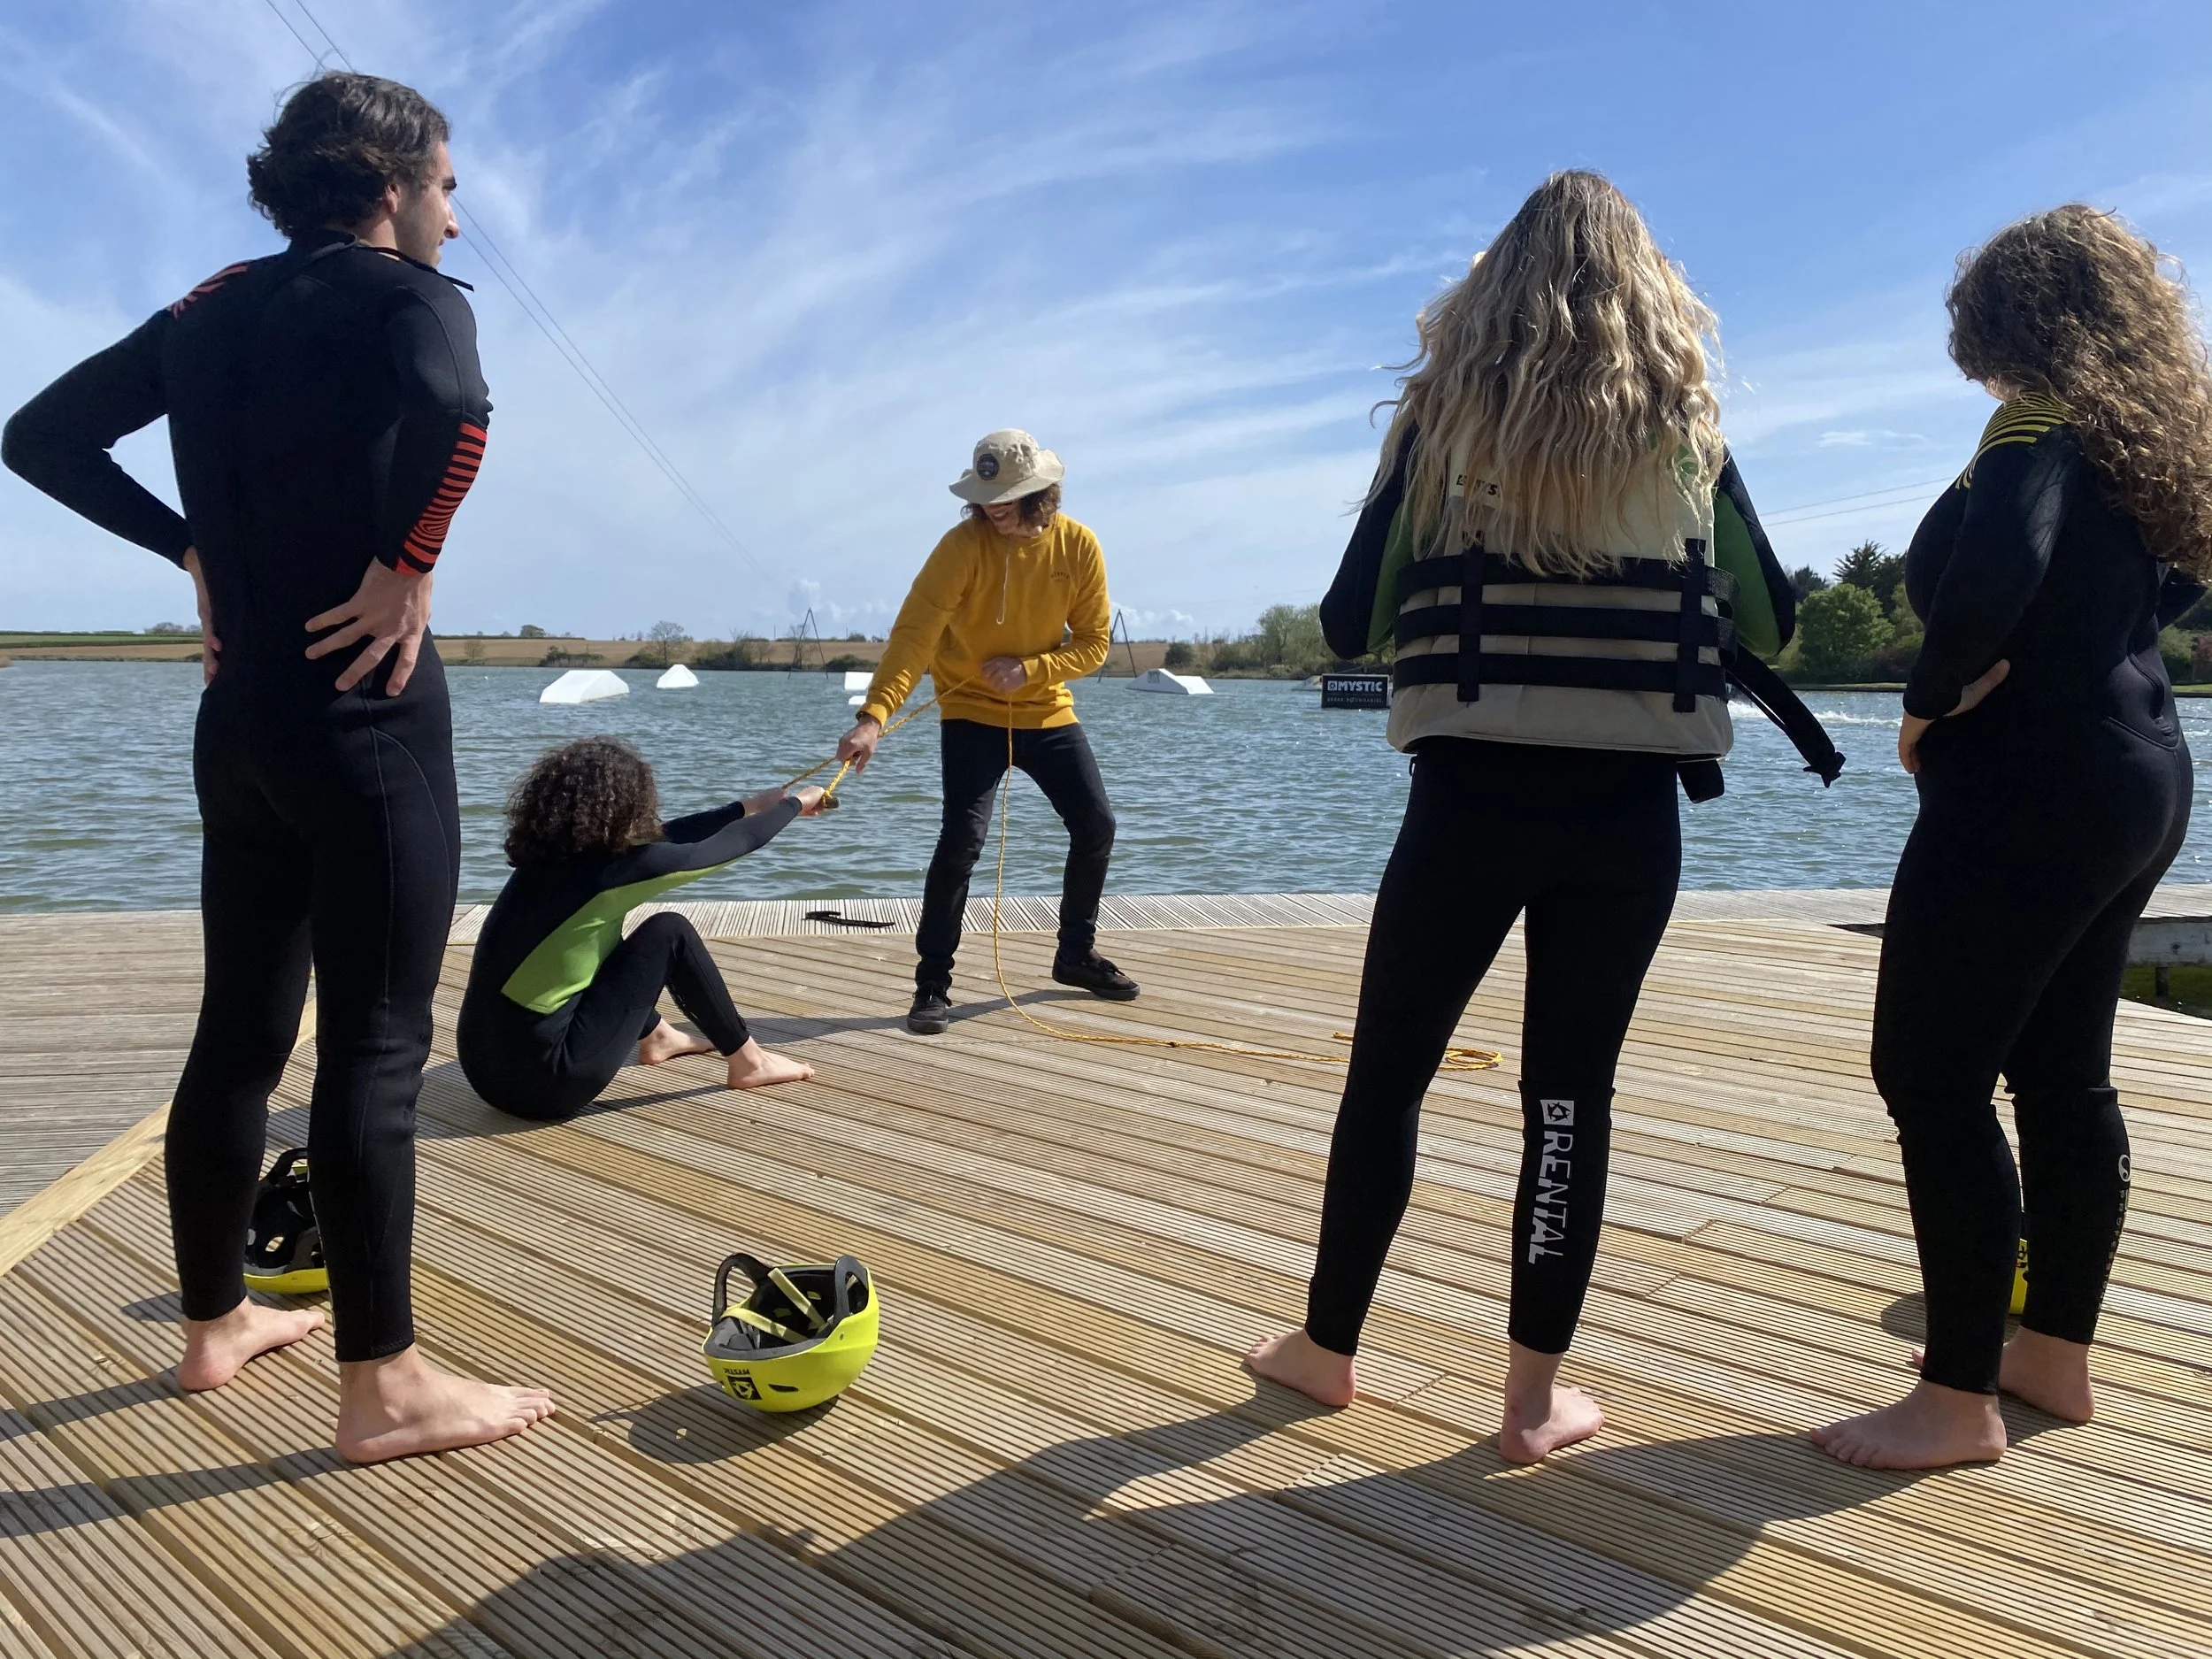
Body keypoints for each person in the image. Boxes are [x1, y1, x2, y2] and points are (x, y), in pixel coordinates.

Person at [2, 72, 552, 1463]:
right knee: (375, 1049)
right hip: (365, 721)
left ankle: (213, 1323)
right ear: (386, 182)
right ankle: (388, 1382)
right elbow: (460, 410)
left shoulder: (207, 307)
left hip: (238, 718)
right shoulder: (408, 295)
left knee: (238, 1036)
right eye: (444, 184)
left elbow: (38, 437)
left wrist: (189, 547)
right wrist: (409, 565)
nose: (456, 212)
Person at [1245, 171, 1835, 1461]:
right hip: (1628, 817)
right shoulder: (1689, 434)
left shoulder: (1438, 428)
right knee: (1570, 1096)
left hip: (1469, 799)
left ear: (1489, 293)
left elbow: (1350, 623)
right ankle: (1529, 1401)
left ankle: (1326, 1348)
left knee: (1388, 1075)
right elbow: (1778, 621)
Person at [1814, 208, 2206, 1471]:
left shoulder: (2035, 422)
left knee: (1929, 1074)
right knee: (2062, 1072)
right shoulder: (2151, 441)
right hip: (2140, 774)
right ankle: (2054, 1354)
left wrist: (1929, 704)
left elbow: (1996, 568)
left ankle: (1955, 1397)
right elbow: (2184, 578)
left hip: (2030, 785)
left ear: (2010, 322)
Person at [836, 429, 1136, 1035]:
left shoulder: (1079, 547)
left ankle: (1074, 954)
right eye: (986, 496)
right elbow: (914, 635)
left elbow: (1095, 645)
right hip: (970, 712)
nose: (994, 507)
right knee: (961, 841)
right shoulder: (959, 547)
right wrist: (874, 717)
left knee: (1097, 824)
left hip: (1047, 711)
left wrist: (1032, 669)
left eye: (1008, 496)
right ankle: (931, 984)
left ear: (1041, 493)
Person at [459, 738, 826, 1118]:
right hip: (546, 1085)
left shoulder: (547, 859)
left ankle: (659, 1036)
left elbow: (669, 835)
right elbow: (735, 844)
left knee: (596, 938)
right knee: (669, 932)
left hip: (483, 1069)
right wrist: (794, 804)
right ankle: (751, 1063)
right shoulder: (611, 873)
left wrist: (747, 807)